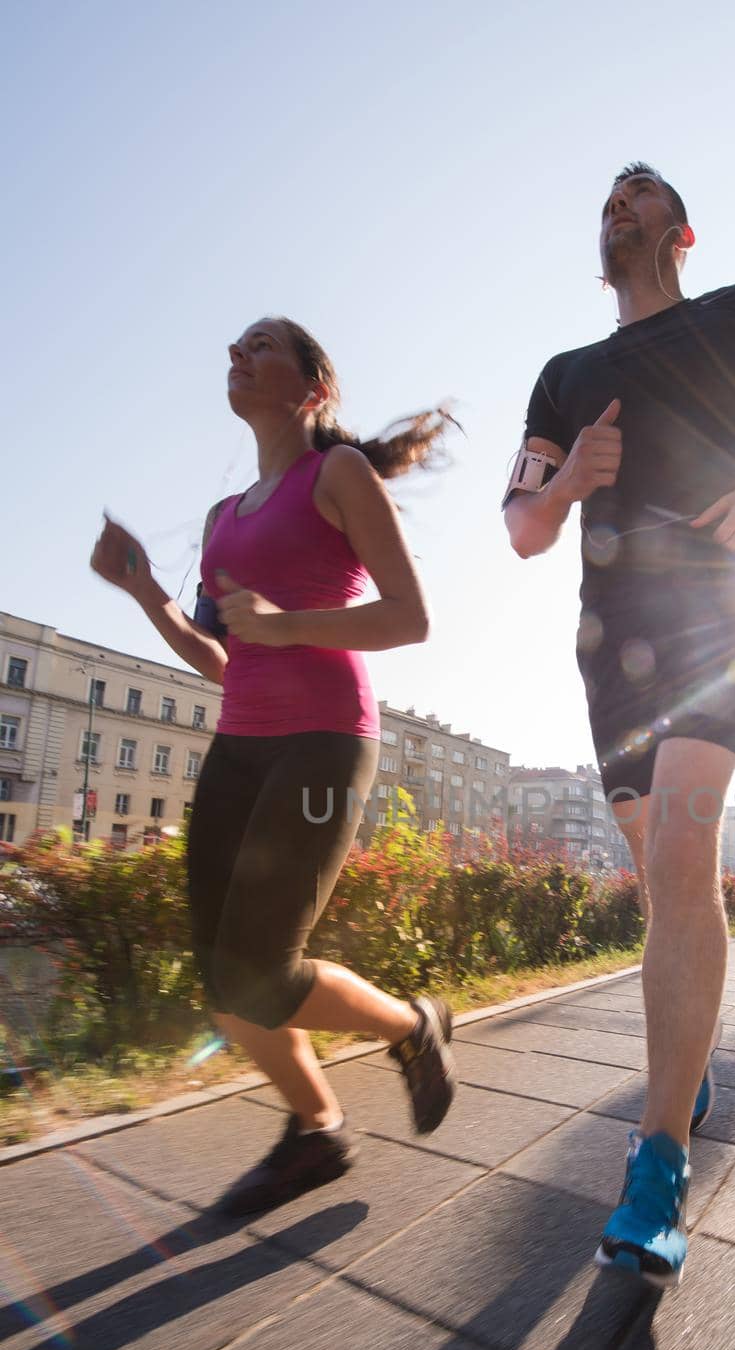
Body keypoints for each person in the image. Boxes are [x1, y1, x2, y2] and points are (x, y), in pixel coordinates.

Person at [503, 164, 735, 1287]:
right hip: (611, 642)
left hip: (714, 618)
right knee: (659, 882)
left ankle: (658, 1164)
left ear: (681, 231)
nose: (617, 206)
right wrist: (567, 491)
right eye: (605, 199)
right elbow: (518, 525)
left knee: (682, 847)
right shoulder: (564, 376)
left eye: (639, 194)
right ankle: (685, 1057)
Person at [90, 316, 457, 1215]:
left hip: (326, 736)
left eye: (260, 345)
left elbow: (409, 618)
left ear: (313, 387)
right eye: (234, 346)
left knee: (262, 971)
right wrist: (142, 586)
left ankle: (413, 1026)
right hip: (240, 744)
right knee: (226, 986)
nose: (235, 354)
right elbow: (221, 655)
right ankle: (317, 1130)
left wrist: (288, 623)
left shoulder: (337, 474)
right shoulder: (222, 522)